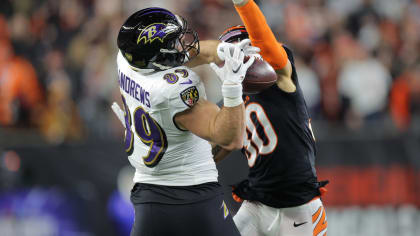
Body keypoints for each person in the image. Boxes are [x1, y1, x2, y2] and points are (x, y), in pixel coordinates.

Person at [112, 7, 255, 236]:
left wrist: (224, 50)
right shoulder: (172, 91)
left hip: (148, 196)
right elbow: (231, 138)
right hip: (195, 198)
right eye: (173, 44)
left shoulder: (127, 62)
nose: (181, 46)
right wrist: (232, 87)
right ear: (158, 58)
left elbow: (189, 56)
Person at [212, 0, 329, 235]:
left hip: (299, 206)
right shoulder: (230, 101)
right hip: (257, 204)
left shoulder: (279, 77)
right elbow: (212, 150)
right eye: (230, 53)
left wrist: (244, 4)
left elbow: (269, 48)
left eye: (242, 48)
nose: (236, 59)